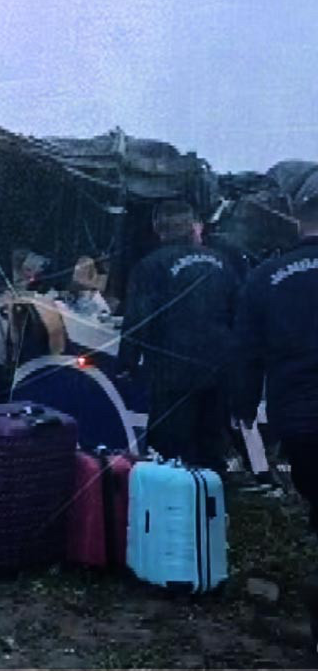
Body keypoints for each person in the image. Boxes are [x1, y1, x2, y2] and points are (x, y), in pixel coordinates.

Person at [235, 186, 318, 652]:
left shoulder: (266, 277)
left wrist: (244, 410)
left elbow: (245, 353)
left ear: (296, 220)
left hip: (300, 423)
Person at [119, 200, 239, 471]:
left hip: (172, 373)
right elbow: (239, 314)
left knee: (170, 450)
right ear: (193, 227)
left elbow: (138, 319)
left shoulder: (149, 266)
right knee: (210, 444)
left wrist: (126, 363)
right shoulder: (223, 263)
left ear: (158, 230)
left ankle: (175, 505)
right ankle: (212, 502)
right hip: (220, 370)